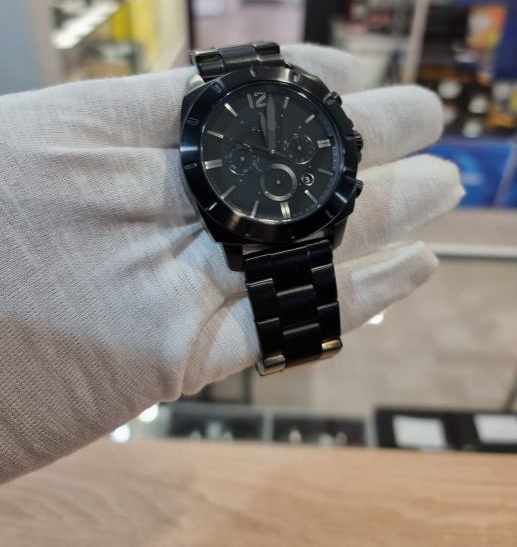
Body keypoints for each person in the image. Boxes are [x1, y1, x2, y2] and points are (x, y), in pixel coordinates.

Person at [0, 44, 463, 483]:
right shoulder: (205, 165)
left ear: (350, 144)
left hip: (311, 212)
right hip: (255, 225)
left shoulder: (332, 159)